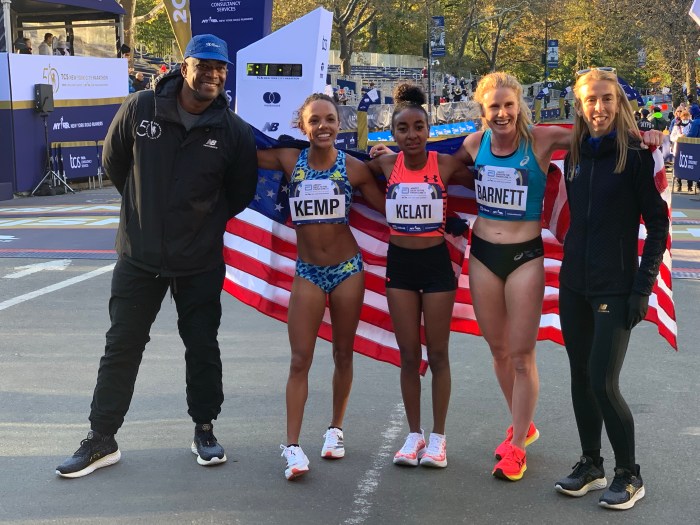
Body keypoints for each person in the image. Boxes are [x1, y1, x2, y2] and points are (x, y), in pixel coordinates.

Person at [55, 34, 258, 479]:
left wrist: (199, 223)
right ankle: (101, 439)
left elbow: (239, 193)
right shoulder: (140, 108)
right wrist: (145, 213)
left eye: (220, 68)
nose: (212, 74)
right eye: (204, 66)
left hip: (199, 261)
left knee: (202, 347)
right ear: (185, 68)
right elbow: (115, 163)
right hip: (139, 256)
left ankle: (204, 429)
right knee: (121, 347)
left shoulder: (234, 131)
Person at [454, 71, 662, 482]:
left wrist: (647, 134)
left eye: (509, 105)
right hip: (483, 255)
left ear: (520, 107)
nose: (502, 113)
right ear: (482, 111)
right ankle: (527, 426)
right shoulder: (474, 144)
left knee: (523, 355)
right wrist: (388, 159)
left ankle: (518, 446)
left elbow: (598, 128)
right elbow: (436, 163)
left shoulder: (543, 139)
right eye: (494, 107)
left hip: (526, 255)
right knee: (499, 351)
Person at [553, 67, 669, 511]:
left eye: (606, 98)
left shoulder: (636, 156)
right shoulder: (574, 155)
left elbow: (657, 225)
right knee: (580, 378)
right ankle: (591, 464)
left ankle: (629, 474)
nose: (599, 107)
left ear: (618, 102)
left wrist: (643, 287)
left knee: (604, 382)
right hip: (573, 285)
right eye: (591, 100)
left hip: (616, 288)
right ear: (579, 106)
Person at [257, 93, 386, 481]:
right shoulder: (288, 160)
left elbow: (389, 208)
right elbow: (239, 153)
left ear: (339, 123)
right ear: (303, 125)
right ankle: (292, 447)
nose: (323, 126)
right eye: (315, 120)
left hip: (348, 271)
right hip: (308, 273)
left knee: (343, 354)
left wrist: (391, 161)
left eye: (329, 119)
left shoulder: (354, 168)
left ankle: (335, 429)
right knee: (300, 359)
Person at [367, 84, 472, 469]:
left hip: (435, 265)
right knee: (409, 355)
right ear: (392, 134)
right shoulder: (385, 164)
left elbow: (482, 176)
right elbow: (350, 171)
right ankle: (414, 435)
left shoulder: (443, 164)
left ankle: (439, 439)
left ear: (429, 130)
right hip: (401, 267)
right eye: (403, 128)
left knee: (439, 353)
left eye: (418, 127)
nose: (411, 135)